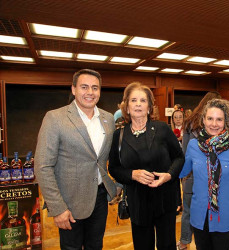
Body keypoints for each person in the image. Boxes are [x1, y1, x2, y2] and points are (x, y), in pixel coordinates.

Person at [34, 69, 118, 249]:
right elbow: (43, 166)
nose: (90, 92)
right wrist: (57, 208)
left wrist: (118, 184)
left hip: (100, 197)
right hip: (69, 203)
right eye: (84, 87)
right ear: (73, 89)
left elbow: (109, 158)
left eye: (95, 88)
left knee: (96, 246)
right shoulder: (55, 118)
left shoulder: (108, 118)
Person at [108, 82, 184, 250]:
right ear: (126, 106)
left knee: (167, 245)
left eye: (143, 100)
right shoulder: (119, 135)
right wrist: (132, 175)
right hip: (138, 202)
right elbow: (113, 168)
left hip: (165, 199)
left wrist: (169, 175)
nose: (138, 104)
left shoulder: (162, 129)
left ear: (149, 106)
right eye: (133, 100)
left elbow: (179, 158)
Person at [180, 99, 229, 250]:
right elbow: (182, 171)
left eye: (219, 119)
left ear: (226, 121)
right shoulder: (193, 146)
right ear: (203, 120)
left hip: (226, 216)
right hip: (199, 215)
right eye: (210, 118)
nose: (214, 124)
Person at [178, 91, 221, 250]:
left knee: (188, 212)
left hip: (191, 176)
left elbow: (184, 154)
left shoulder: (189, 122)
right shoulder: (218, 125)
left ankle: (184, 242)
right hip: (210, 177)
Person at [171, 109, 185, 214]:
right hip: (174, 160)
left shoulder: (187, 131)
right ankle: (177, 204)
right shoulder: (169, 130)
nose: (178, 119)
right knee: (175, 184)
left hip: (185, 160)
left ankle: (186, 204)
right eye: (175, 117)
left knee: (185, 183)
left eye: (180, 117)